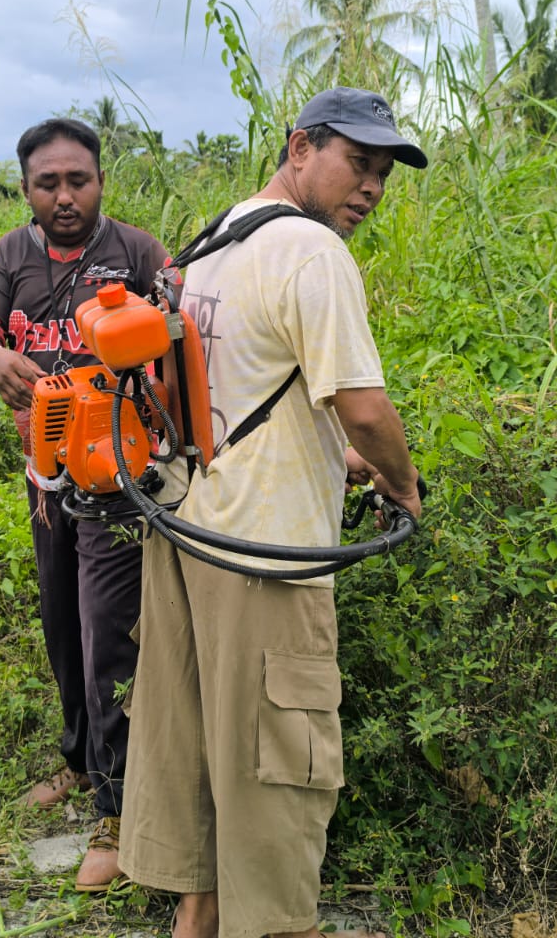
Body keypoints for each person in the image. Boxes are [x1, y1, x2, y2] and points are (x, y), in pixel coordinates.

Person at [117, 87, 425, 938]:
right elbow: (363, 408)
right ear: (300, 148)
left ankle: (197, 919)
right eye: (357, 163)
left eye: (383, 173)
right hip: (264, 557)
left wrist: (338, 461)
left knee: (198, 758)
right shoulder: (312, 252)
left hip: (189, 535)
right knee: (278, 772)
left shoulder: (217, 239)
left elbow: (240, 386)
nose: (371, 188)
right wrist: (400, 482)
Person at [0, 117, 168, 891]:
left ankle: (118, 808)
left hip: (119, 481)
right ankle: (79, 760)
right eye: (48, 184)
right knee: (62, 623)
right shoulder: (12, 256)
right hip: (46, 480)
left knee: (109, 633)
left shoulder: (138, 255)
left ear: (101, 181)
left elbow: (185, 338)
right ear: (26, 189)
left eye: (79, 180)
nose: (65, 196)